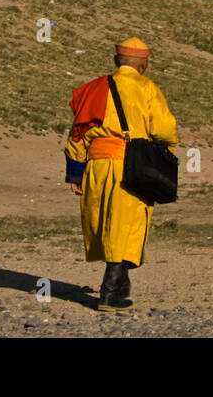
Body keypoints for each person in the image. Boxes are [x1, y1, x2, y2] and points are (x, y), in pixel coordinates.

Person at [64, 37, 178, 311]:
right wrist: (165, 153)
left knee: (104, 222)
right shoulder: (147, 88)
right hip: (129, 165)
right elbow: (164, 130)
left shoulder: (94, 88)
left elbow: (77, 134)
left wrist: (76, 174)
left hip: (96, 166)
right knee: (126, 225)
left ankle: (121, 284)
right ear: (142, 63)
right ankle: (111, 292)